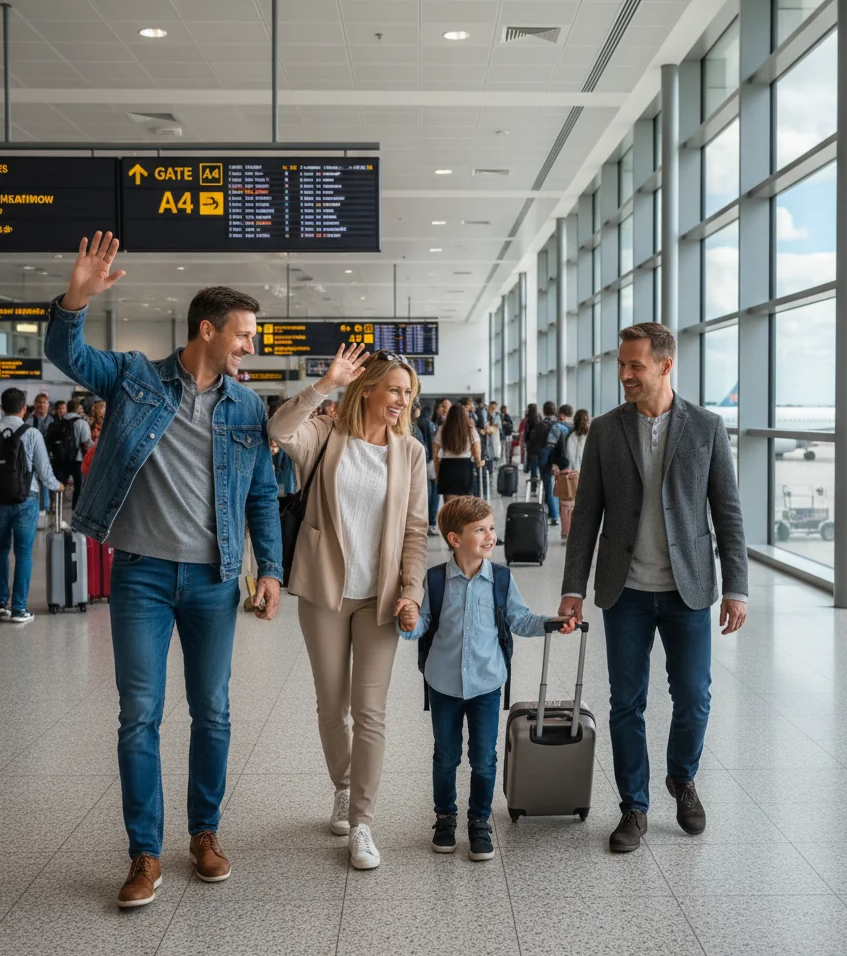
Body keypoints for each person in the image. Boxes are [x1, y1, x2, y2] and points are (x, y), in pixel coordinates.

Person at [45, 231, 284, 909]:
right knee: (139, 715)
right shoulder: (135, 378)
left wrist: (270, 568)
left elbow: (261, 492)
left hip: (213, 579)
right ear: (207, 330)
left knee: (213, 713)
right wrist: (76, 300)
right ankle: (144, 853)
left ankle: (204, 835)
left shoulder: (245, 406)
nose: (250, 347)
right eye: (243, 336)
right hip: (143, 577)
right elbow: (66, 353)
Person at [558, 322, 748, 855]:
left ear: (665, 365)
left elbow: (727, 511)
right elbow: (588, 513)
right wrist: (573, 587)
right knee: (627, 703)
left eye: (634, 365)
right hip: (627, 592)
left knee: (694, 698)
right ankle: (633, 807)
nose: (624, 375)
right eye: (621, 365)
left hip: (688, 589)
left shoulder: (708, 427)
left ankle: (681, 778)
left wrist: (737, 585)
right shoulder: (606, 430)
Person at [269, 344, 428, 872]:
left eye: (408, 393)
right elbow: (278, 430)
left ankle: (363, 821)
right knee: (330, 704)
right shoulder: (325, 434)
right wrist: (324, 385)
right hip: (325, 591)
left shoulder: (410, 453)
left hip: (381, 598)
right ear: (369, 389)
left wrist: (412, 590)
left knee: (371, 711)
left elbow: (415, 530)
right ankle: (342, 785)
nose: (403, 401)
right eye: (396, 390)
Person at [397, 495, 576, 860]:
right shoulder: (435, 581)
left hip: (486, 685)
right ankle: (445, 817)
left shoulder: (501, 579)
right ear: (454, 539)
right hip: (444, 683)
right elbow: (423, 626)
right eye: (480, 530)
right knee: (446, 757)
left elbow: (520, 619)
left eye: (492, 528)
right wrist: (409, 622)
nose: (490, 536)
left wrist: (550, 624)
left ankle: (479, 820)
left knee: (484, 757)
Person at [0, 387, 64, 624]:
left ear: (1, 407)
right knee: (23, 554)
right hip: (26, 499)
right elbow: (43, 471)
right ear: (24, 408)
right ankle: (19, 608)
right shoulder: (31, 434)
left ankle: (0, 605)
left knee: (0, 548)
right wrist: (56, 485)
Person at [434, 400, 482, 503]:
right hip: (464, 467)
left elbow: (435, 454)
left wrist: (437, 474)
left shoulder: (442, 429)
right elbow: (477, 452)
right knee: (465, 503)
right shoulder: (470, 429)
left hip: (447, 467)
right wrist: (478, 461)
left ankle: (450, 519)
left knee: (449, 504)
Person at [49, 397, 92, 510]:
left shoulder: (59, 422)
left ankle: (56, 510)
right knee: (78, 486)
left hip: (61, 459)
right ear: (78, 409)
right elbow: (86, 443)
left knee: (60, 484)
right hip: (77, 460)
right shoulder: (82, 423)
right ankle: (75, 510)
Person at [554, 409, 589, 542]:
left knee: (566, 505)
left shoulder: (570, 436)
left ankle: (566, 532)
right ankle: (580, 533)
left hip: (569, 475)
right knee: (583, 506)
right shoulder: (591, 436)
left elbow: (567, 456)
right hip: (584, 475)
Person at [541, 404, 574, 527]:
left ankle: (555, 516)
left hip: (559, 463)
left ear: (561, 414)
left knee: (555, 490)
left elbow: (550, 446)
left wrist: (545, 463)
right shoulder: (575, 426)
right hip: (573, 464)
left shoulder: (557, 427)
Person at [26, 394, 54, 514]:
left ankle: (46, 506)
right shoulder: (29, 420)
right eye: (39, 402)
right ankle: (37, 506)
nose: (42, 405)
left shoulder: (53, 421)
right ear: (35, 404)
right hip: (32, 456)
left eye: (44, 402)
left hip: (50, 455)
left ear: (48, 405)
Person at [417, 406, 440, 536]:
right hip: (429, 462)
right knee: (433, 491)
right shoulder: (428, 424)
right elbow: (432, 445)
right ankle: (430, 523)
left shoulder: (415, 424)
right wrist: (433, 460)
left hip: (422, 463)